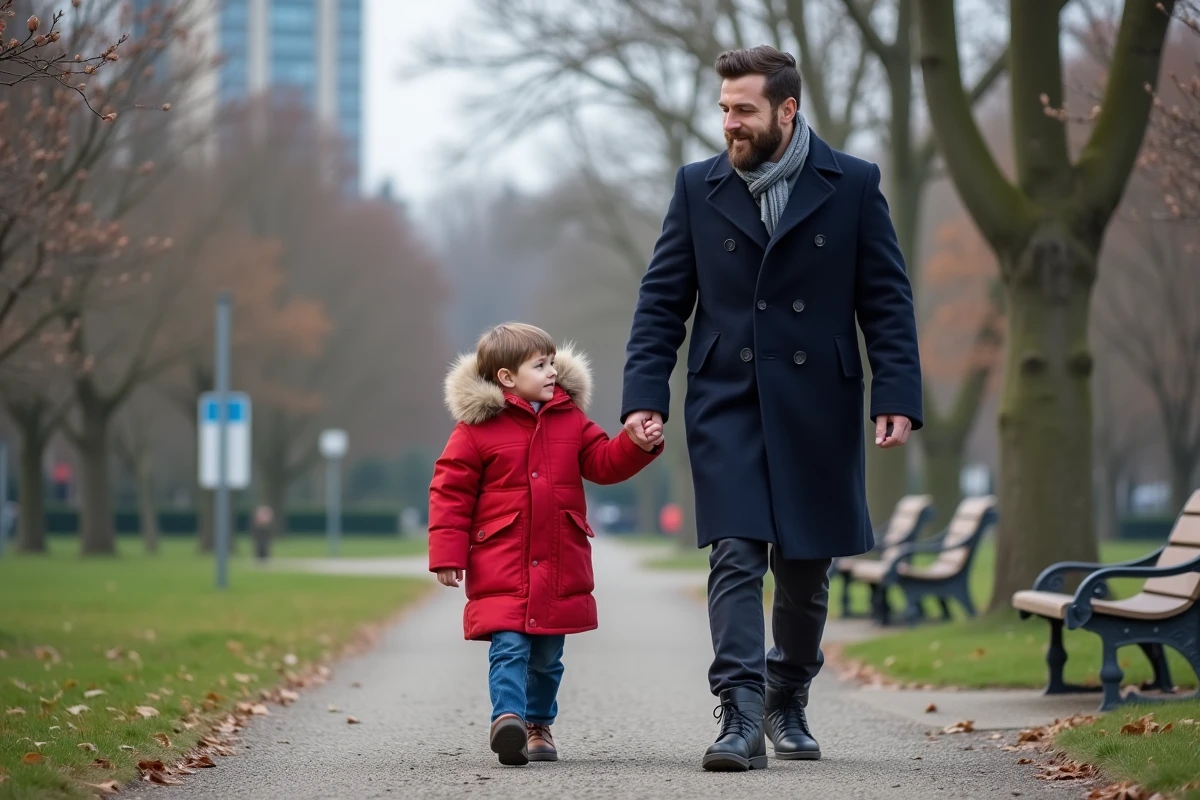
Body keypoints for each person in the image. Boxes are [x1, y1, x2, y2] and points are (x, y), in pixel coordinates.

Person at [621, 45, 923, 772]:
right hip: (727, 396)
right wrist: (643, 397)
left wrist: (897, 394)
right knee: (733, 548)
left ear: (787, 110)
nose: (730, 123)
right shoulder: (698, 187)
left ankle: (789, 695)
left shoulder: (851, 183)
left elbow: (885, 298)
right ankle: (740, 713)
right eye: (723, 108)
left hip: (818, 398)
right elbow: (662, 303)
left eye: (744, 109)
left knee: (804, 567)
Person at [428, 322, 663, 767]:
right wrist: (447, 554)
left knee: (548, 656)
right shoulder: (477, 429)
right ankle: (508, 720)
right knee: (510, 647)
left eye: (552, 362)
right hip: (503, 562)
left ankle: (538, 724)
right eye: (540, 365)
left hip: (558, 563)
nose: (552, 371)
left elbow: (602, 463)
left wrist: (634, 444)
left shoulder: (569, 417)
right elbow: (450, 491)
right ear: (506, 377)